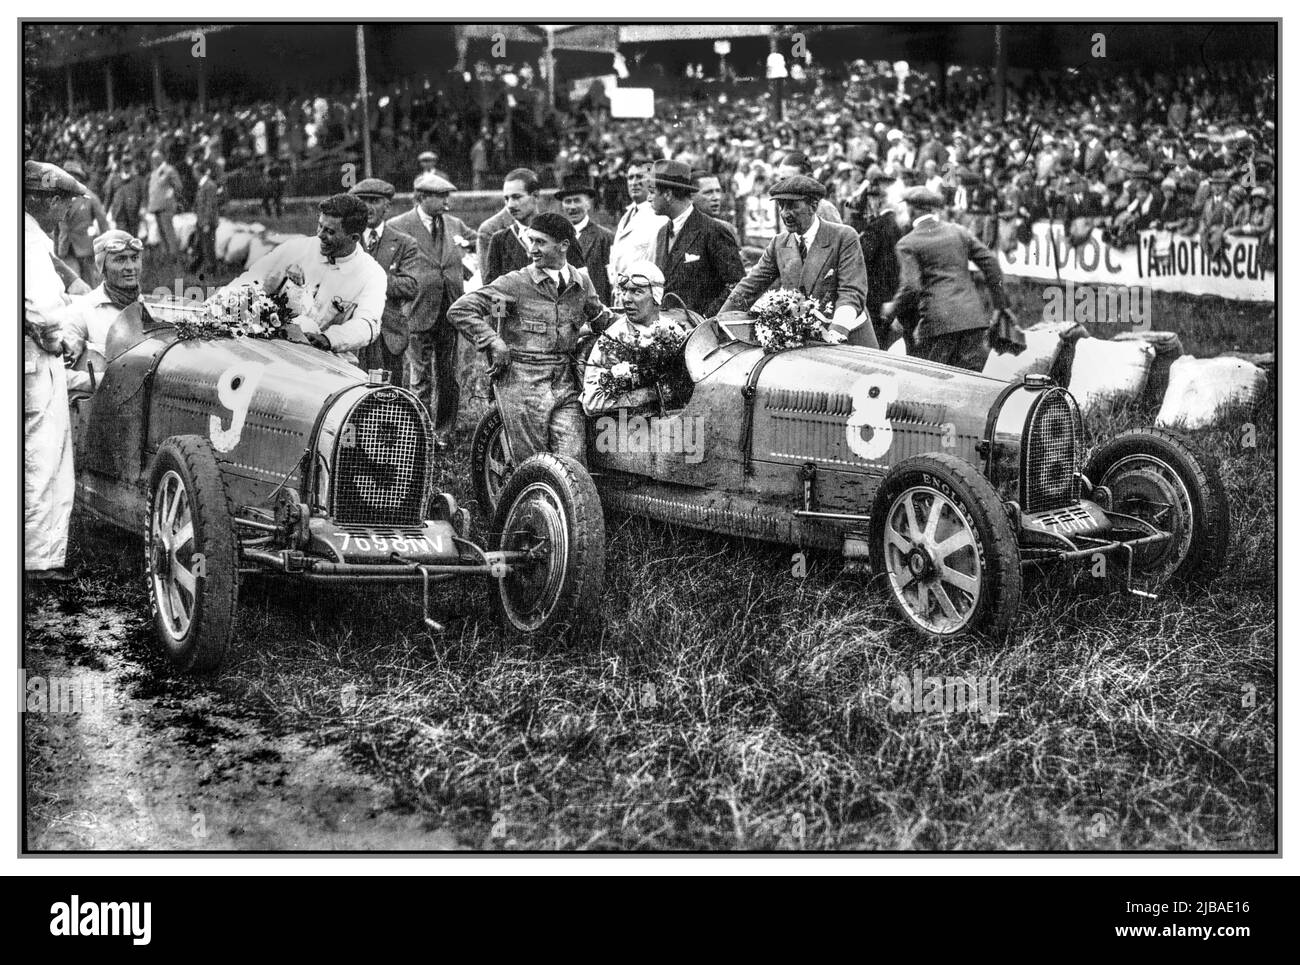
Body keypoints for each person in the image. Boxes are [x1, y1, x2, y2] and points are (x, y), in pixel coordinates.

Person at [447, 213, 612, 467]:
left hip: (565, 383)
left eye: (540, 243)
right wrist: (493, 340)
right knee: (533, 464)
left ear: (564, 246)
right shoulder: (516, 283)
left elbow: (603, 320)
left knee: (574, 464)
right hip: (522, 383)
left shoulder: (581, 282)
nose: (532, 250)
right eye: (530, 241)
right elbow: (460, 310)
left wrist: (648, 326)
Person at [221, 193, 386, 365]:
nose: (320, 235)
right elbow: (252, 281)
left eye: (330, 231)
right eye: (320, 226)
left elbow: (367, 325)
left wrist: (329, 339)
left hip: (329, 363)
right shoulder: (297, 248)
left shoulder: (372, 274)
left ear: (354, 238)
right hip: (274, 352)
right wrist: (219, 307)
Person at [24, 160, 88, 584]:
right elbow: (45, 311)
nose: (66, 208)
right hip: (34, 361)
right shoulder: (28, 239)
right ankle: (36, 560)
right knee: (43, 457)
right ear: (39, 200)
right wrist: (59, 339)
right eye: (61, 200)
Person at [720, 175, 873, 347]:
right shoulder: (779, 243)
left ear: (813, 205)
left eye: (792, 206)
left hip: (850, 340)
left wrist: (837, 331)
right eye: (781, 205)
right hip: (808, 344)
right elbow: (748, 288)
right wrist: (717, 322)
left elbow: (851, 292)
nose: (785, 213)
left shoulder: (844, 236)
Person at [387, 172, 476, 448]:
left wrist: (467, 263)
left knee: (449, 375)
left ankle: (444, 429)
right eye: (439, 197)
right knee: (420, 376)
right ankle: (419, 432)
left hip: (450, 309)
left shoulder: (453, 224)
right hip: (418, 310)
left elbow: (478, 241)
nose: (445, 202)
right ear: (421, 197)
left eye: (447, 196)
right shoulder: (399, 226)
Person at [889, 186, 1007, 371]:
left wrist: (891, 309)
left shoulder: (907, 243)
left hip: (937, 325)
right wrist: (999, 305)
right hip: (972, 320)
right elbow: (990, 262)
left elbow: (912, 287)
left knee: (931, 389)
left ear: (912, 209)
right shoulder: (958, 231)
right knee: (972, 385)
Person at [582, 261, 692, 415]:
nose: (626, 298)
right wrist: (649, 394)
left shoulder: (674, 332)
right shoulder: (611, 340)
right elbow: (591, 402)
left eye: (636, 292)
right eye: (624, 291)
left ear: (656, 296)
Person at [349, 178, 428, 388]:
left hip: (388, 335)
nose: (367, 207)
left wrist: (372, 277)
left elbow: (410, 286)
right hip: (350, 332)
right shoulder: (346, 239)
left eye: (374, 201)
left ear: (387, 206)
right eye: (362, 201)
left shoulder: (404, 243)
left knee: (389, 396)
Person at [649, 159, 744, 317]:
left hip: (704, 336)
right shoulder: (662, 233)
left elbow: (737, 285)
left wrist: (705, 320)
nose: (649, 198)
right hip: (669, 332)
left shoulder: (713, 231)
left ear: (667, 194)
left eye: (653, 192)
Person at [56, 230, 144, 397]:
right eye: (119, 259)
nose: (130, 267)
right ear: (102, 268)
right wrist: (101, 381)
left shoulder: (145, 307)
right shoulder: (83, 311)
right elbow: (57, 374)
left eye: (134, 258)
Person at [484, 167, 586, 284]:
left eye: (517, 197)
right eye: (506, 199)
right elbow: (491, 293)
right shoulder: (500, 240)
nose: (510, 205)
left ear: (536, 196)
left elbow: (581, 286)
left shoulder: (562, 232)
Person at [856, 181, 903, 348]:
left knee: (875, 341)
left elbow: (862, 257)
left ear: (878, 201)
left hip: (876, 294)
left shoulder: (876, 227)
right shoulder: (895, 224)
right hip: (891, 291)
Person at [557, 173, 614, 306]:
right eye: (567, 201)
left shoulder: (605, 237)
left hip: (595, 311)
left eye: (577, 200)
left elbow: (612, 283)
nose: (572, 207)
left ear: (588, 203)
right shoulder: (555, 239)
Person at [609, 155, 668, 280]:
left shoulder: (659, 216)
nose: (634, 182)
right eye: (630, 177)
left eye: (640, 177)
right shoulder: (628, 214)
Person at [54, 161, 110, 286]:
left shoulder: (90, 198)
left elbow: (103, 223)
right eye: (67, 175)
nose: (70, 178)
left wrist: (105, 245)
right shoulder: (59, 199)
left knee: (88, 282)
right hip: (65, 248)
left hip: (85, 248)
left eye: (73, 175)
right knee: (71, 282)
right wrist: (56, 248)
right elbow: (56, 226)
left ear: (79, 178)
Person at [775, 151, 843, 223]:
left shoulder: (824, 209)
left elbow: (838, 233)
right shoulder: (780, 207)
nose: (785, 185)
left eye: (791, 180)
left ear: (808, 178)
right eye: (782, 180)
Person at [146, 149, 184, 260]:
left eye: (156, 158)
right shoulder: (154, 172)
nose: (154, 160)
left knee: (168, 232)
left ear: (161, 158)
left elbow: (178, 185)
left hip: (166, 206)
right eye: (153, 158)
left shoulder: (169, 170)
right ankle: (167, 256)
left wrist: (169, 195)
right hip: (156, 206)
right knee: (162, 233)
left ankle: (174, 256)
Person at [691, 169, 740, 245]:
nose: (716, 197)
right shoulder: (679, 228)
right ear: (691, 196)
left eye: (718, 191)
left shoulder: (726, 229)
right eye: (708, 192)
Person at [192, 161, 222, 276]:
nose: (193, 174)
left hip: (207, 222)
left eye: (194, 171)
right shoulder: (202, 184)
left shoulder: (209, 185)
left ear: (199, 172)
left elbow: (210, 206)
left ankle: (212, 269)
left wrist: (206, 223)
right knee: (203, 246)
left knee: (208, 247)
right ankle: (205, 267)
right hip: (201, 221)